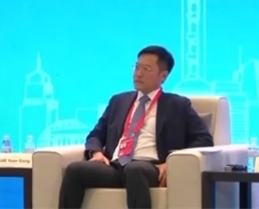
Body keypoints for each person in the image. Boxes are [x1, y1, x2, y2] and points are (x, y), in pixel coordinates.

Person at [58, 45, 214, 209]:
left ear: (163, 75)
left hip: (150, 167)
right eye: (137, 67)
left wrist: (172, 162)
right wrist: (97, 153)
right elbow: (96, 134)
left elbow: (203, 139)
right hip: (115, 167)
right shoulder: (118, 101)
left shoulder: (178, 105)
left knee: (135, 169)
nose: (138, 73)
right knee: (75, 169)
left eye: (146, 69)